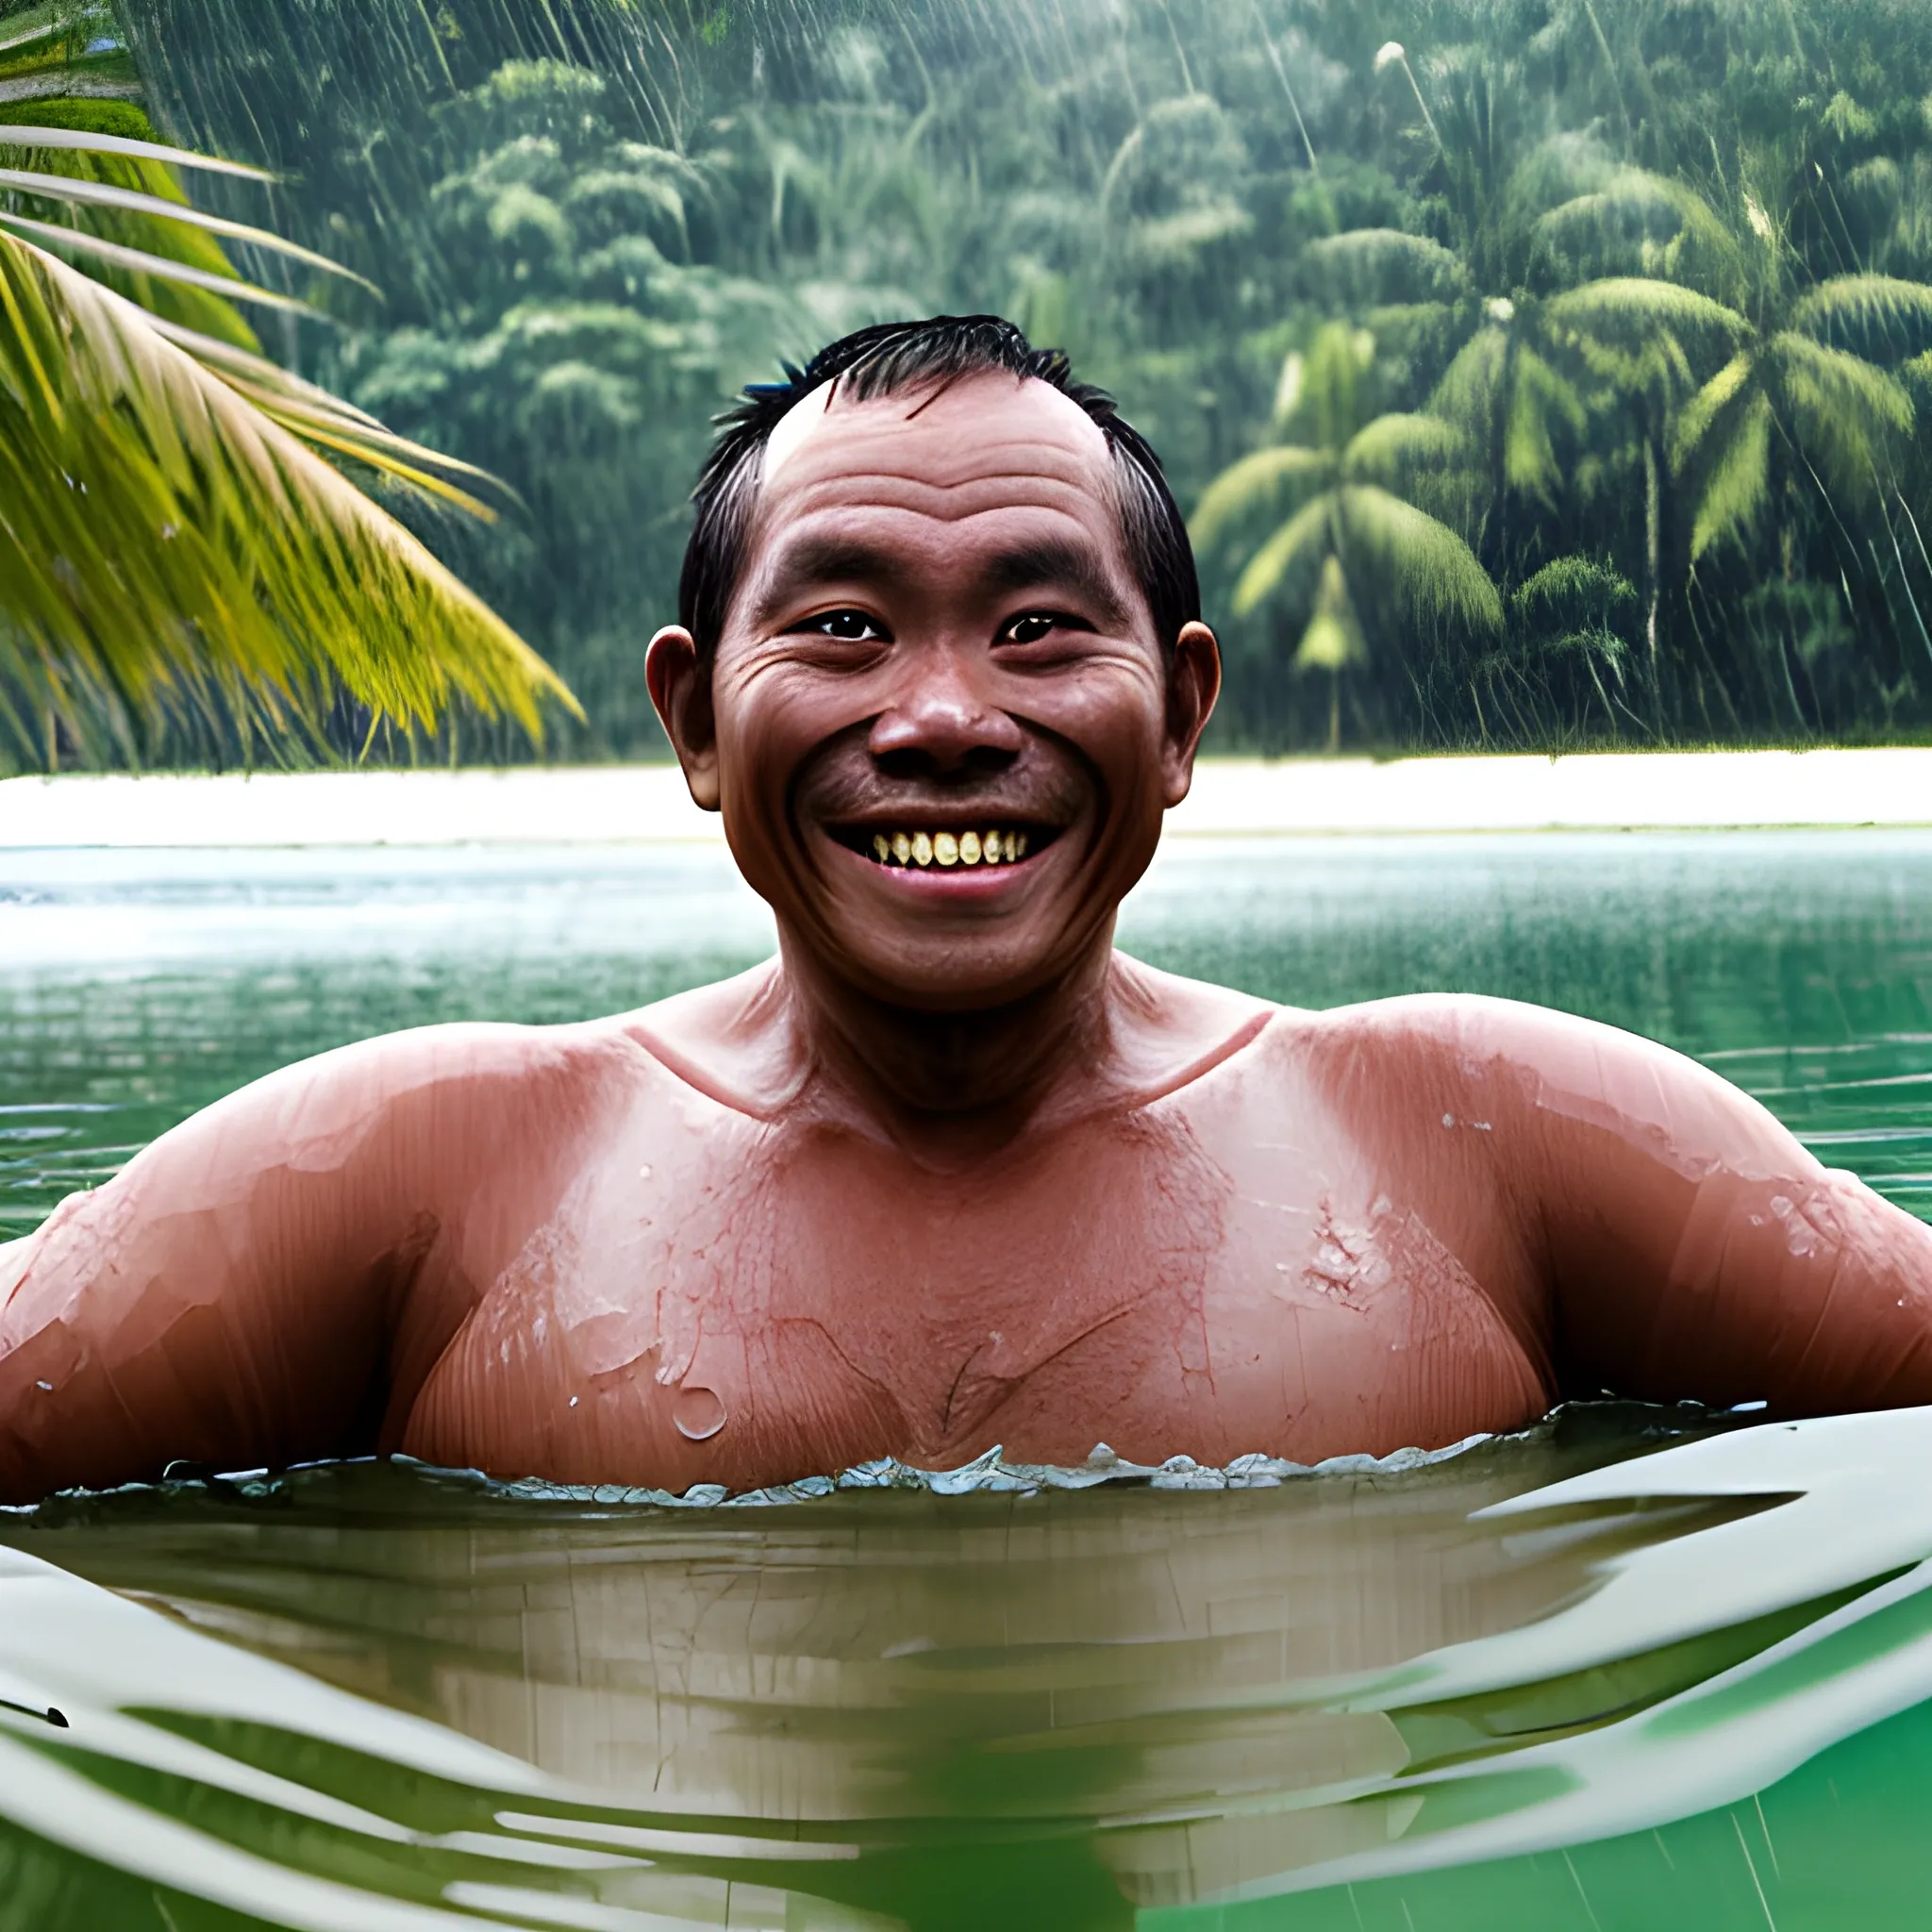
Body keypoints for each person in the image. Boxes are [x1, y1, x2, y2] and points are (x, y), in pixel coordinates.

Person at [4, 314, 1931, 1505]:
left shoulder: (1481, 1141)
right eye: (841, 625)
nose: (939, 717)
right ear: (692, 716)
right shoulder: (428, 1175)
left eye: (1036, 627)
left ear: (1177, 715)